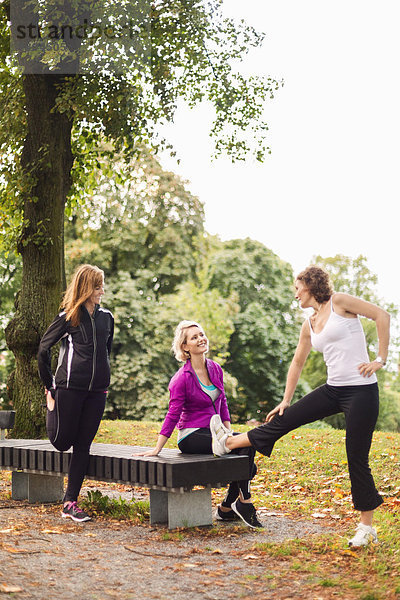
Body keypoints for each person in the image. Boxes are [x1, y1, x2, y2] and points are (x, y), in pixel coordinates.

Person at [210, 265, 390, 547]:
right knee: (285, 417)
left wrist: (380, 359)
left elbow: (382, 315)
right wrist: (285, 399)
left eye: (297, 288)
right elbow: (297, 361)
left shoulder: (339, 302)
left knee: (356, 456)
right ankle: (230, 442)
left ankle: (366, 528)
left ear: (310, 285)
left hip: (361, 391)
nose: (295, 294)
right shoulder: (309, 323)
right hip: (333, 389)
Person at [136, 320, 262, 528]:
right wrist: (157, 448)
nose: (200, 339)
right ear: (185, 347)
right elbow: (173, 414)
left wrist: (228, 431)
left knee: (248, 455)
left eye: (201, 334)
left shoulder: (215, 369)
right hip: (191, 435)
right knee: (246, 451)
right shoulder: (181, 379)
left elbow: (222, 403)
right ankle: (244, 501)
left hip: (216, 432)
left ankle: (226, 508)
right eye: (194, 337)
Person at [38, 264, 114, 523]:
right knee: (62, 442)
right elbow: (43, 351)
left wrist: (103, 375)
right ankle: (51, 404)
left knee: (83, 445)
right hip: (69, 387)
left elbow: (106, 350)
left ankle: (70, 502)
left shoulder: (107, 318)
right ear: (86, 287)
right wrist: (50, 385)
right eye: (97, 285)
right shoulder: (68, 317)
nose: (102, 290)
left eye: (102, 285)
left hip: (97, 391)